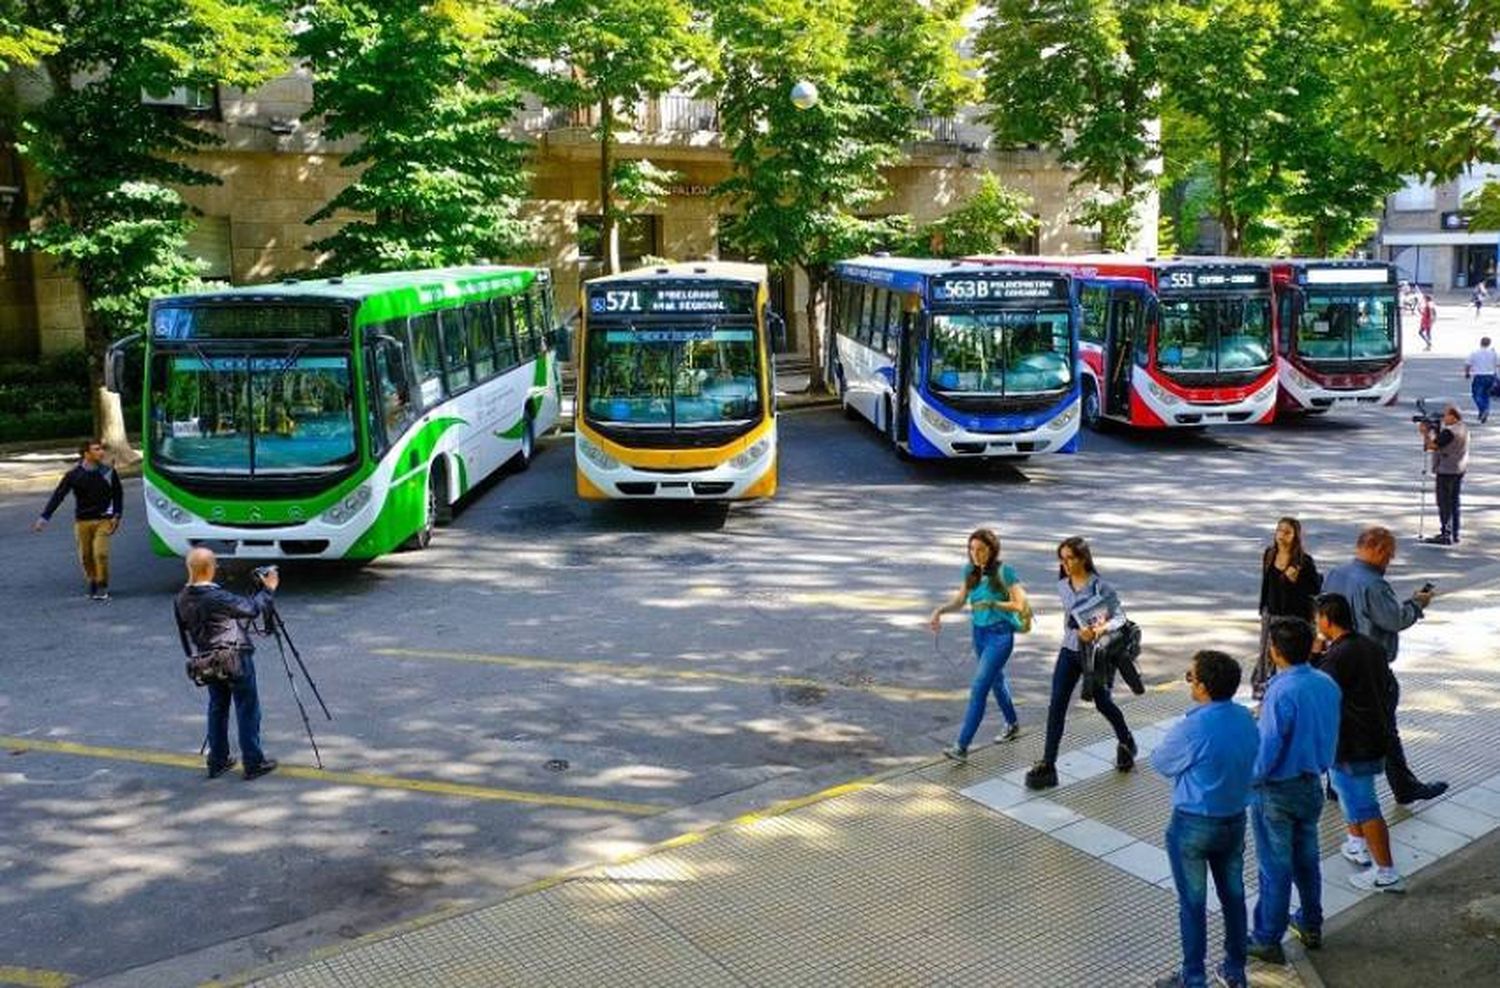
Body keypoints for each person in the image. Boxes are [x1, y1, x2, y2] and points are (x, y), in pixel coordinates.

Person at [1150, 650, 1259, 988]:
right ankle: (1235, 969)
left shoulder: (1193, 726)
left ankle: (1193, 976)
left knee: (1193, 903)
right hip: (1234, 820)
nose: (1189, 682)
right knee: (1234, 896)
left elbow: (1161, 762)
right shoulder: (1246, 718)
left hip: (1193, 825)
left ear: (1204, 687)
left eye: (1191, 677)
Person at [1322, 526, 1443, 804]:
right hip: (1370, 666)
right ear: (1377, 550)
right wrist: (1417, 603)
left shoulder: (1335, 574)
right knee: (1384, 727)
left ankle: (1334, 785)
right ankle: (1404, 786)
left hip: (1338, 660)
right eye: (1388, 556)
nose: (1388, 562)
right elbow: (1394, 620)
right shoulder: (1373, 584)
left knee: (1340, 724)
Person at [1245, 617, 1341, 966]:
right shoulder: (1326, 683)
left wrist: (1248, 779)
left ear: (1275, 651)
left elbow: (1269, 748)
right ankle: (1311, 923)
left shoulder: (1281, 691)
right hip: (1311, 783)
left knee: (1274, 866)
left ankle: (1267, 938)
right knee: (1306, 860)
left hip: (1276, 791)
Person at [1024, 536, 1136, 790]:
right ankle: (1048, 764)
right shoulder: (1063, 585)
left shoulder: (1100, 587)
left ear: (1083, 558)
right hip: (1069, 650)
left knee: (1103, 703)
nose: (1066, 564)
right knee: (1057, 706)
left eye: (1070, 558)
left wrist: (1098, 629)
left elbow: (1119, 618)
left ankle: (1126, 740)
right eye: (1062, 560)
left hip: (1095, 654)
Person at [1315, 593, 1405, 896]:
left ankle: (1386, 872)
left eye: (1318, 618)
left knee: (1365, 805)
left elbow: (1322, 694)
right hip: (1373, 735)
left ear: (1326, 619)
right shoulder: (1370, 646)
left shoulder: (1335, 658)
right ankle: (1357, 844)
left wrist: (1315, 657)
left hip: (1351, 744)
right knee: (1347, 794)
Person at [174, 547, 279, 780]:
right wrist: (268, 589)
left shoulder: (180, 598)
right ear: (210, 568)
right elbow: (250, 609)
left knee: (217, 707)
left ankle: (218, 760)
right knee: (247, 707)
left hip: (207, 659)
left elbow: (185, 633)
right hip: (234, 657)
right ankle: (253, 762)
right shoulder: (216, 596)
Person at [929, 528, 1027, 762]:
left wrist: (994, 603)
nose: (976, 554)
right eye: (972, 549)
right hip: (979, 635)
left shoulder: (1005, 572)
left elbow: (1019, 605)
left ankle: (961, 746)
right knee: (996, 681)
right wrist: (939, 611)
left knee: (979, 687)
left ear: (992, 550)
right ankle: (1012, 724)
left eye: (981, 550)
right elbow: (961, 600)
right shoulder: (970, 571)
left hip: (1000, 636)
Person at [32, 439, 125, 600]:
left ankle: (102, 583)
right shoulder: (73, 475)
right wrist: (44, 517)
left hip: (104, 519)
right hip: (83, 521)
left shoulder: (108, 472)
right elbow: (59, 495)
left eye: (102, 449)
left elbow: (117, 494)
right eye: (97, 449)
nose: (101, 452)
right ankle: (92, 580)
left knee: (100, 553)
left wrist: (117, 515)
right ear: (86, 453)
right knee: (86, 555)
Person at [1254, 517, 1321, 699]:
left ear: (1295, 536)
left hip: (1295, 615)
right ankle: (1262, 691)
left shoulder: (1303, 561)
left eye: (1287, 532)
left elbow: (1315, 588)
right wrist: (1263, 608)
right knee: (1267, 653)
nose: (1282, 535)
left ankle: (1295, 690)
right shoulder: (1270, 554)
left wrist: (1297, 580)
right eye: (1279, 531)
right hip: (1272, 612)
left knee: (1291, 655)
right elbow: (1266, 583)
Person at [1419, 404, 1468, 545]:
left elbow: (1432, 446)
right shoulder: (1462, 427)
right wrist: (1435, 430)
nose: (1443, 417)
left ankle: (1446, 534)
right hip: (1458, 469)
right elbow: (1442, 441)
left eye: (1445, 415)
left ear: (1453, 416)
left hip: (1447, 470)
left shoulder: (1450, 432)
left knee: (1444, 503)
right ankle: (1454, 533)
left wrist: (1425, 433)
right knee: (1454, 503)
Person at [1465, 336, 1496, 423]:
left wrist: (1467, 373)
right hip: (1490, 376)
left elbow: (1468, 364)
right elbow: (1497, 364)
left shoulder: (1475, 353)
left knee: (1477, 395)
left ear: (1480, 343)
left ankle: (1483, 409)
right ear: (1489, 343)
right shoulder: (1493, 353)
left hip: (1479, 376)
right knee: (1486, 395)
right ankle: (1484, 411)